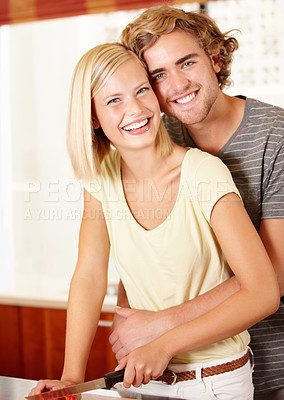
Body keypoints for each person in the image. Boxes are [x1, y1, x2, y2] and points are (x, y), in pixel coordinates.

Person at [28, 42, 279, 400]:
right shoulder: (101, 180)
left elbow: (263, 292)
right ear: (93, 117)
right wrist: (71, 377)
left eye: (142, 90)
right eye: (114, 100)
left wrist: (163, 345)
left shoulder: (203, 173)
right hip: (143, 380)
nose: (135, 109)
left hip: (216, 383)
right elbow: (89, 276)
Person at [109, 5, 284, 400]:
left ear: (216, 59)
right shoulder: (157, 132)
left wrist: (161, 327)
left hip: (272, 367)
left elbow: (273, 276)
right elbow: (144, 242)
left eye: (187, 62)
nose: (177, 85)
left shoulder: (278, 137)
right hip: (173, 373)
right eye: (157, 75)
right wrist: (130, 325)